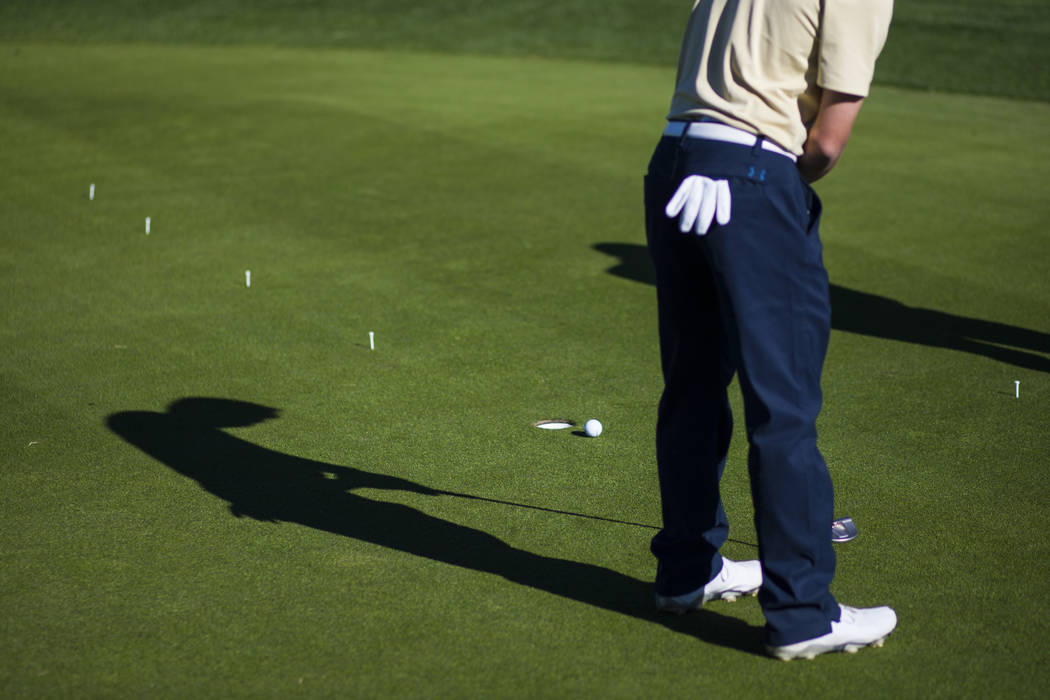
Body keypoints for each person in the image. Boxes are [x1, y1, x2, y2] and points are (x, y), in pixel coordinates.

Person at [643, 0, 896, 660]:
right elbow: (827, 141)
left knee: (694, 382)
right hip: (749, 177)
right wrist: (780, 184)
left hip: (675, 158)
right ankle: (806, 611)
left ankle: (688, 570)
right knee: (783, 405)